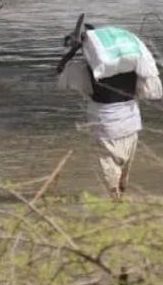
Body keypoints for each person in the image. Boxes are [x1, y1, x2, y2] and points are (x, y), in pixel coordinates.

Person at [58, 23, 140, 200]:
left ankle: (115, 205)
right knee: (124, 175)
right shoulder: (132, 64)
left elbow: (61, 71)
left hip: (107, 124)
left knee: (110, 172)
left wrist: (74, 49)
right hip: (131, 122)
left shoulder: (92, 70)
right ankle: (123, 204)